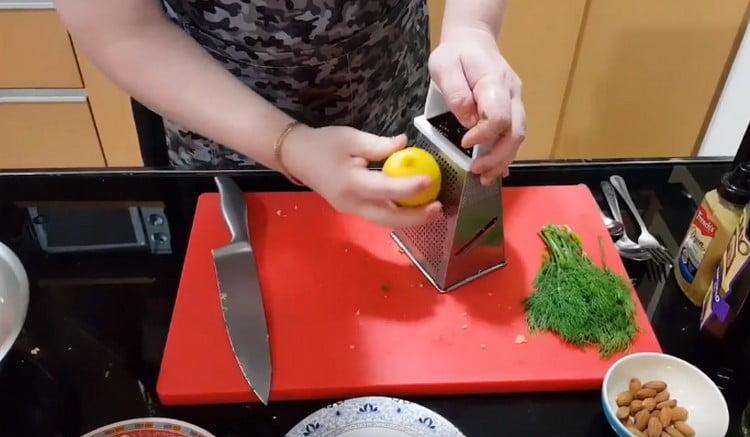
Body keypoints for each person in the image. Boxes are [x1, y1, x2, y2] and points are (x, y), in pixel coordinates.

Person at [54, 0, 525, 228]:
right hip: (232, 143)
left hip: (392, 96)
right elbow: (123, 31)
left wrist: (473, 27)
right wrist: (287, 143)